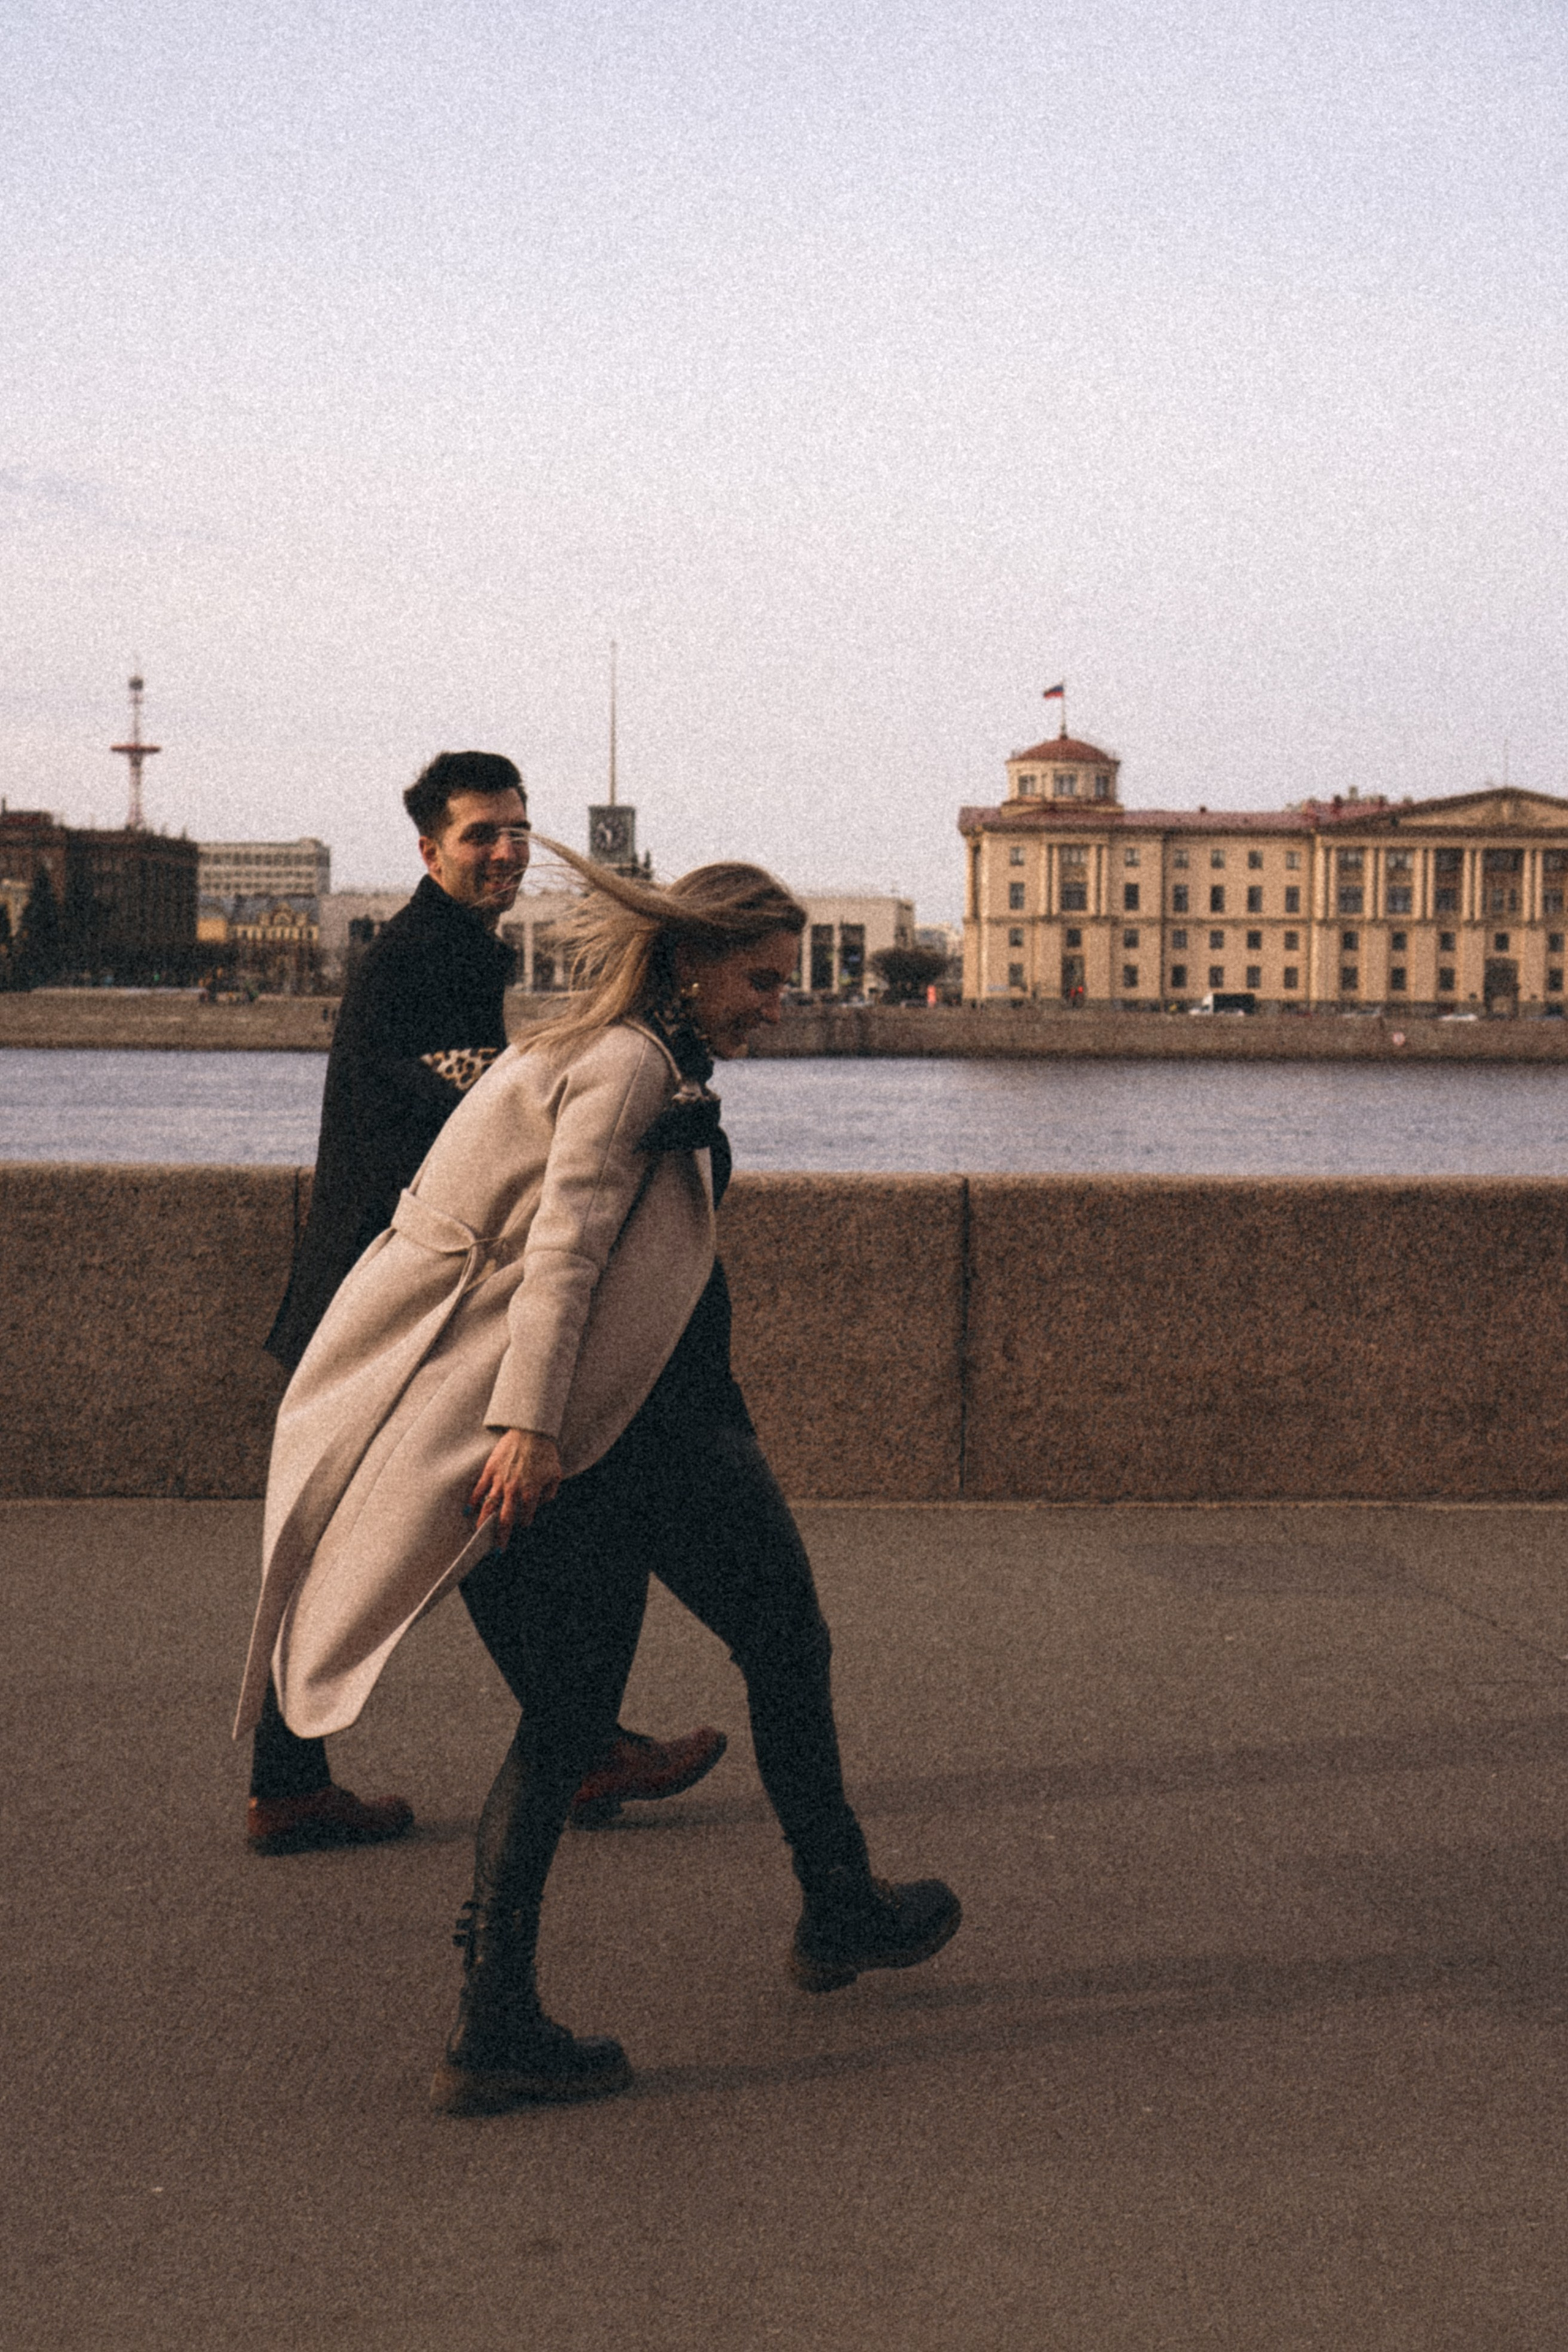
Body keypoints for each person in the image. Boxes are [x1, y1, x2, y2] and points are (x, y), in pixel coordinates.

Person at [236, 847, 960, 2113]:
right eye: (760, 980)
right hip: (633, 1432)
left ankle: (511, 2012)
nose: (778, 1005)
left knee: (583, 1712)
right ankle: (814, 1911)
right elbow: (562, 1251)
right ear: (689, 961)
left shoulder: (596, 1049)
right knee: (774, 1647)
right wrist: (527, 1428)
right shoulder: (627, 1066)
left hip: (617, 1422)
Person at [246, 752, 724, 1855]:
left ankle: (313, 1779)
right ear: (430, 850)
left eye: (517, 828)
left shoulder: (445, 944)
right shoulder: (433, 954)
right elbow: (485, 1110)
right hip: (384, 1299)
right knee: (442, 1526)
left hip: (378, 1283)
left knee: (453, 1529)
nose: (507, 850)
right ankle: (570, 1747)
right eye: (481, 835)